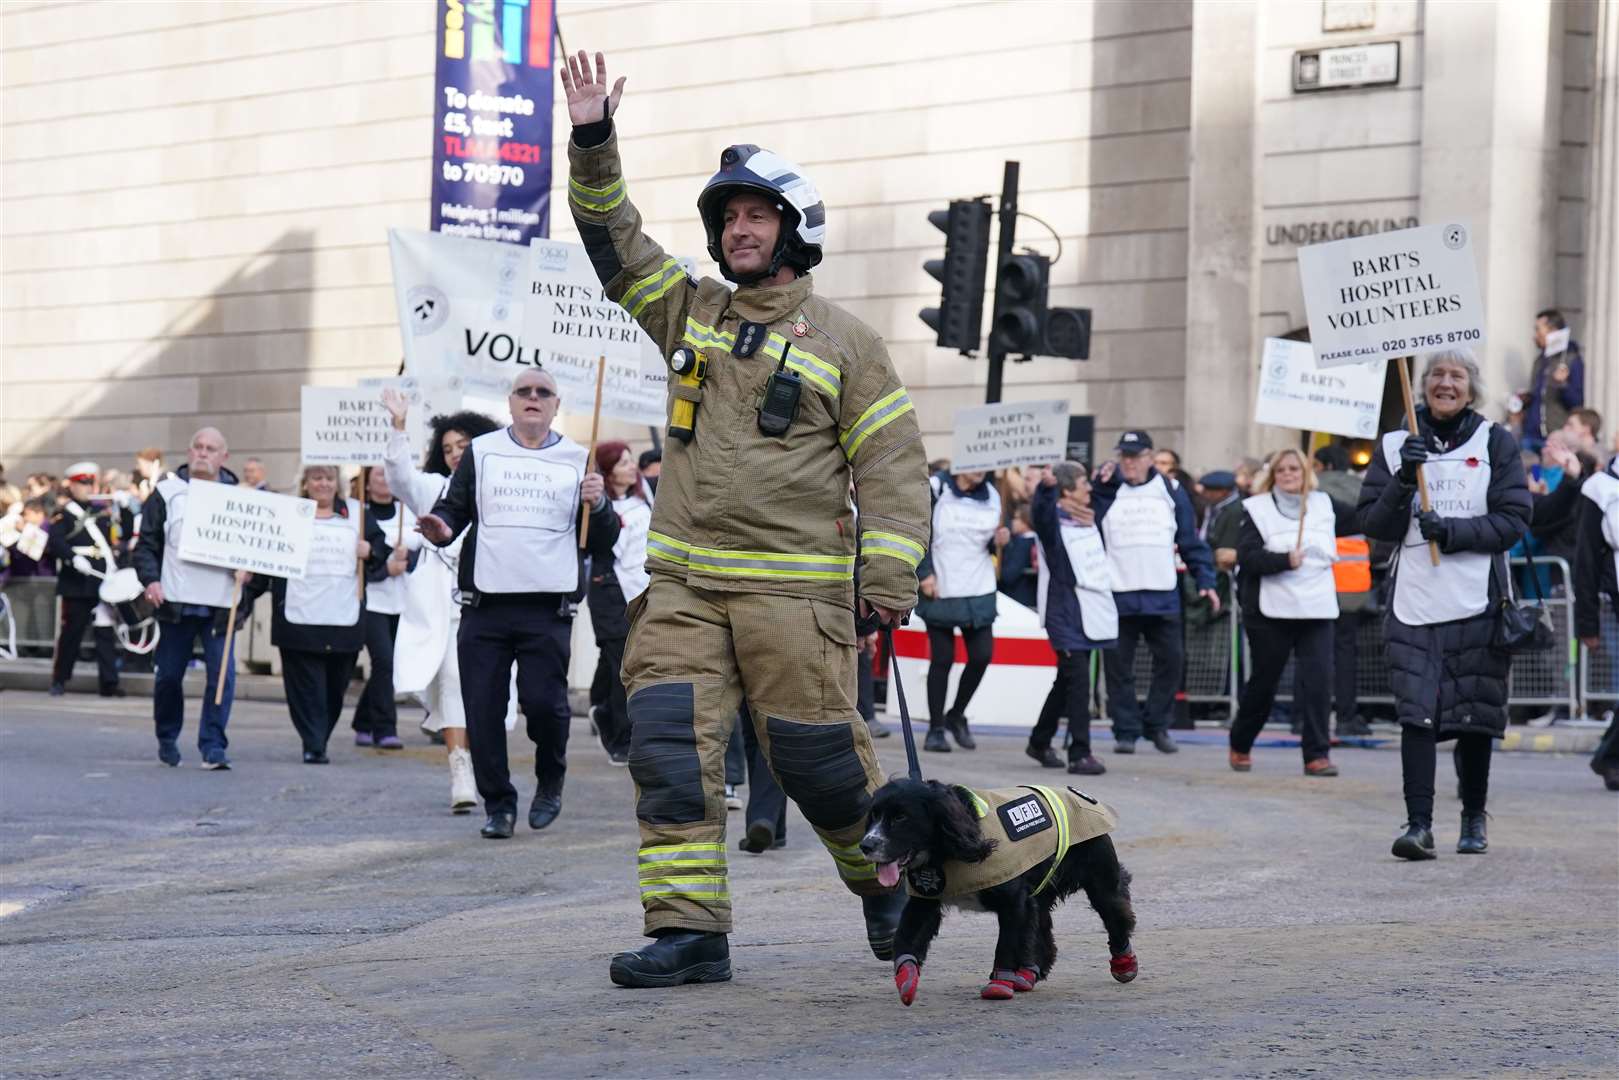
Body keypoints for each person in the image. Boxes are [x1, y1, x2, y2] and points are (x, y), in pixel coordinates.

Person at [561, 50, 930, 988]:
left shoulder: (848, 342)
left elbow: (890, 463)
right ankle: (690, 933)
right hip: (683, 587)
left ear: (794, 228)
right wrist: (594, 136)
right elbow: (614, 240)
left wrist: (887, 578)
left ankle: (883, 886)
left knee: (819, 767)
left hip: (793, 594)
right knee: (668, 754)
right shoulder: (688, 310)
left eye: (755, 215)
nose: (738, 230)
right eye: (728, 218)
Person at [416, 368, 619, 839]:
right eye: (523, 391)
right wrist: (441, 528)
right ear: (509, 403)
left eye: (542, 392)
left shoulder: (576, 457)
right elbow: (455, 509)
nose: (533, 398)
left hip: (547, 609)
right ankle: (498, 804)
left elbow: (602, 539)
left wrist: (601, 504)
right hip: (485, 604)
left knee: (545, 706)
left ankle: (551, 780)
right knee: (483, 709)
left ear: (554, 404)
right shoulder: (483, 452)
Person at [1358, 349, 1531, 858]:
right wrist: (1402, 480)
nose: (1445, 383)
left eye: (1456, 376)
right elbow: (1374, 526)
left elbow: (1515, 518)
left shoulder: (1495, 441)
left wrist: (1452, 532)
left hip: (1477, 600)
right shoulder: (1395, 444)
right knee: (1417, 715)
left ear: (1471, 388)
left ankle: (1473, 818)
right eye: (1436, 374)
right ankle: (1418, 825)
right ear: (1423, 386)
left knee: (1474, 717)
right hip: (1413, 602)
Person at [380, 393, 502, 813]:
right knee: (452, 681)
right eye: (448, 449)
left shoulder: (500, 486)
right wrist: (398, 427)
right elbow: (400, 479)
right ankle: (459, 769)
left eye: (463, 447)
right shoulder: (435, 490)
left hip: (494, 603)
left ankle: (488, 768)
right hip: (444, 606)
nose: (455, 456)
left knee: (488, 691)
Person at [1227, 448, 1361, 776]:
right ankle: (1241, 741)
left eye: (1295, 469)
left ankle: (1317, 754)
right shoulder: (1255, 508)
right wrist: (1284, 560)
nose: (1289, 475)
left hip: (1316, 607)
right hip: (1271, 610)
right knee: (1265, 681)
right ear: (1273, 474)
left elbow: (1365, 518)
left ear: (1306, 473)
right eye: (1282, 469)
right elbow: (1247, 556)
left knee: (1318, 681)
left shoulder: (1324, 504)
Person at [1093, 431, 1219, 754]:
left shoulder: (1171, 491)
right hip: (1118, 593)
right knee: (1118, 668)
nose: (1129, 462)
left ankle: (1157, 724)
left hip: (1161, 593)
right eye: (1124, 456)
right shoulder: (1106, 490)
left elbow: (1189, 541)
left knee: (1172, 661)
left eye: (1135, 456)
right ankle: (1125, 730)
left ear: (1150, 457)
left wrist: (1205, 579)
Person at [132, 427, 250, 769]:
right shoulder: (167, 493)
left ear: (223, 457)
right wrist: (151, 580)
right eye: (197, 446)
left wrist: (251, 575)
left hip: (221, 605)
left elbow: (261, 552)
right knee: (168, 675)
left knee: (222, 677)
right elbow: (147, 545)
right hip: (175, 602)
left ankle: (213, 745)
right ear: (188, 451)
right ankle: (167, 736)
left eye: (211, 448)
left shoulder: (244, 497)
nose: (203, 453)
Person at [260, 466, 371, 764]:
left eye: (329, 478)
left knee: (336, 687)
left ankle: (320, 735)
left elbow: (382, 555)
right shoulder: (288, 514)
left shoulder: (358, 515)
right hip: (298, 618)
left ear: (338, 484)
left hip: (343, 618)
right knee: (304, 689)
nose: (323, 484)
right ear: (306, 484)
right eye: (317, 478)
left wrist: (370, 551)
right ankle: (313, 742)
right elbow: (266, 553)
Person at [1026, 462, 1117, 775]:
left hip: (1088, 610)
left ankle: (1039, 740)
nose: (1089, 489)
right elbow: (1040, 514)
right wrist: (1045, 489)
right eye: (1083, 483)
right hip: (1063, 612)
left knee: (1067, 680)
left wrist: (1108, 481)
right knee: (1079, 681)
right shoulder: (1054, 525)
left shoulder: (1088, 520)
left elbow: (1106, 501)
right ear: (1066, 490)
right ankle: (1080, 752)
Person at [916, 468, 1006, 752]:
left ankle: (956, 714)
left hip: (978, 586)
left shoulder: (991, 494)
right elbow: (919, 529)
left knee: (982, 655)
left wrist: (998, 540)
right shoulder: (936, 487)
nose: (979, 471)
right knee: (942, 659)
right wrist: (924, 572)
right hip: (941, 584)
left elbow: (984, 541)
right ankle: (935, 729)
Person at [586, 440, 651, 765]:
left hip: (642, 591)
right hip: (611, 593)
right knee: (621, 663)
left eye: (631, 461)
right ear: (608, 472)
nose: (631, 467)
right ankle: (619, 738)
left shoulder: (644, 499)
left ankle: (598, 705)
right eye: (623, 462)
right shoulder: (600, 509)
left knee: (614, 658)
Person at [45, 462, 125, 697]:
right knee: (72, 633)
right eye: (83, 483)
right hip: (77, 582)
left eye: (91, 482)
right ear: (72, 485)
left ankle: (109, 683)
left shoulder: (101, 512)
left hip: (102, 581)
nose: (88, 487)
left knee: (104, 633)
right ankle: (60, 679)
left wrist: (125, 508)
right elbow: (56, 542)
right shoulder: (65, 514)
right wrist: (72, 558)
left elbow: (120, 537)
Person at [1313, 445, 1374, 738]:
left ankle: (1305, 717)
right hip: (1353, 582)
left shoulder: (1313, 489)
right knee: (1346, 652)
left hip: (1316, 581)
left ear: (1321, 465)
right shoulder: (1360, 488)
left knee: (1312, 652)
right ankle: (1347, 716)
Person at [351, 466, 414, 750]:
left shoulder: (408, 512)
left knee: (390, 665)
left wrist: (407, 558)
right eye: (379, 474)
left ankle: (363, 721)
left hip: (403, 600)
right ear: (366, 481)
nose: (385, 480)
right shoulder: (358, 515)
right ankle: (385, 728)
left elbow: (426, 551)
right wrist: (384, 568)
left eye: (390, 474)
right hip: (371, 600)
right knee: (384, 661)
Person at [1574, 425, 1618, 790]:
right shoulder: (1599, 488)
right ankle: (1610, 756)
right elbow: (1586, 559)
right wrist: (1586, 622)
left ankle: (1610, 755)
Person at [1517, 309, 1584, 453]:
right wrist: (1526, 399)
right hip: (1531, 435)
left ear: (1553, 330)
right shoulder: (1539, 361)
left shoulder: (1572, 360)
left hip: (1555, 438)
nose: (1535, 336)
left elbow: (1577, 403)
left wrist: (1563, 384)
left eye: (1538, 330)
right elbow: (1539, 397)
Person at [997, 505, 1039, 608]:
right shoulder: (1038, 541)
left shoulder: (1023, 544)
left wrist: (1006, 548)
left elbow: (1008, 575)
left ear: (1026, 520)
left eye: (1016, 518)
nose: (1013, 522)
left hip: (1018, 601)